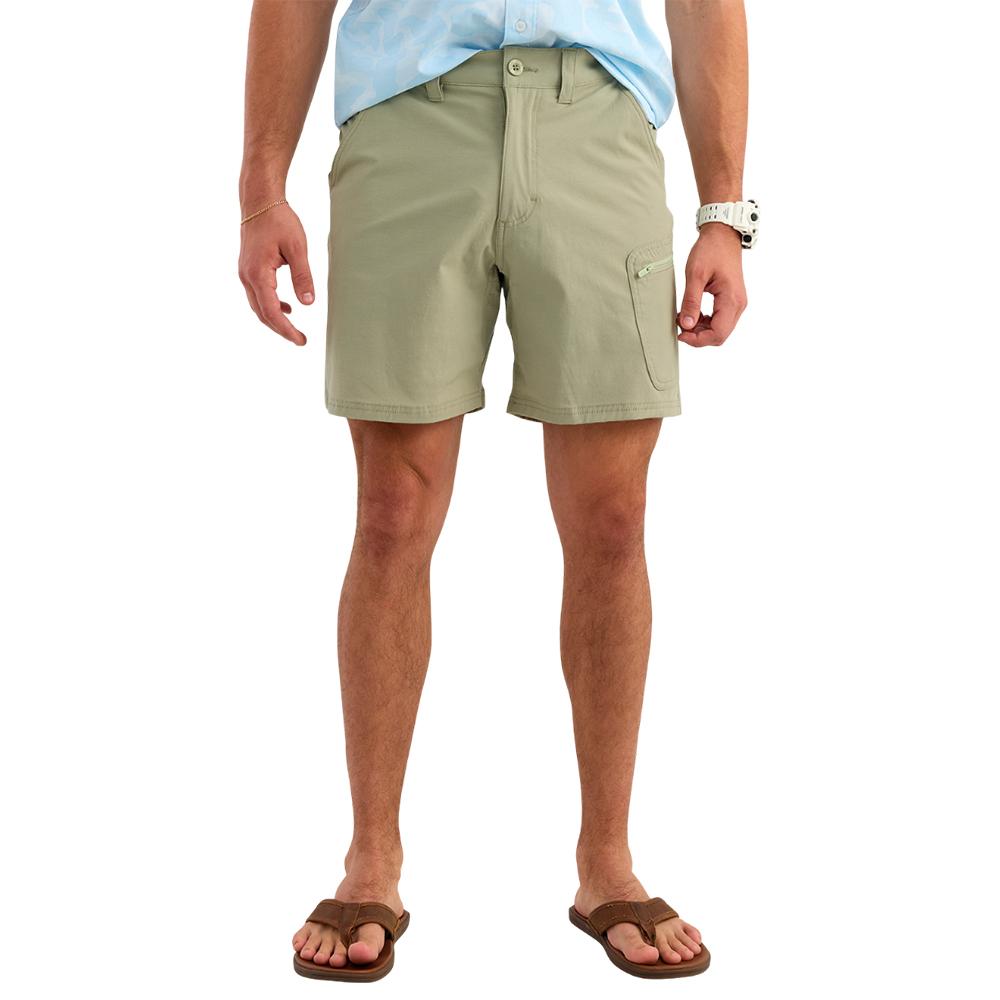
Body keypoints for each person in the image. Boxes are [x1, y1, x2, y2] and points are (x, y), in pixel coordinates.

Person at [238, 0, 752, 982]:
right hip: (408, 121)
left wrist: (723, 210)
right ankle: (371, 859)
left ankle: (607, 863)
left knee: (614, 520)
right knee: (391, 514)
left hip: (597, 120)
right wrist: (262, 190)